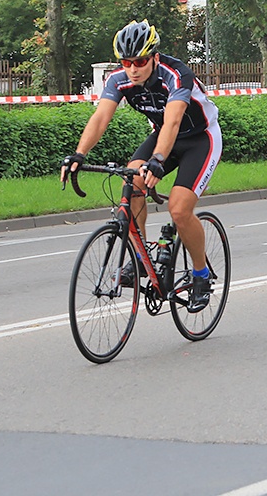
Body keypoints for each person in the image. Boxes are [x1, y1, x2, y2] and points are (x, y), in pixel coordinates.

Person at [61, 20, 222, 313]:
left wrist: (158, 161)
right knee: (131, 178)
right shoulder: (119, 80)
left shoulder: (176, 74)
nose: (133, 68)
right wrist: (78, 153)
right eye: (126, 62)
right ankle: (140, 259)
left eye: (140, 61)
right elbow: (100, 118)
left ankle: (201, 274)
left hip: (200, 139)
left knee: (179, 208)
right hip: (163, 136)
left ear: (154, 57)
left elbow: (173, 121)